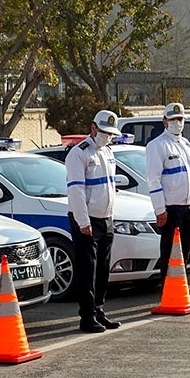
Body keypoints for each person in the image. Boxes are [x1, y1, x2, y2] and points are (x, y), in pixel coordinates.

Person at [67, 109, 124, 332]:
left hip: (105, 218)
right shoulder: (79, 153)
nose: (107, 136)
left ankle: (99, 310)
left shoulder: (109, 153)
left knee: (102, 269)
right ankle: (87, 316)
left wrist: (110, 215)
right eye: (103, 131)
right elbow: (76, 191)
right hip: (86, 220)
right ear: (93, 128)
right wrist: (83, 221)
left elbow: (109, 188)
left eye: (110, 133)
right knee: (87, 270)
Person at [145, 102, 190, 280]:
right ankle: (168, 290)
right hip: (171, 208)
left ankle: (182, 292)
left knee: (185, 250)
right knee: (170, 252)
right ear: (165, 121)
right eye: (173, 119)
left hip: (187, 206)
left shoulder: (187, 145)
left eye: (180, 119)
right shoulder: (157, 145)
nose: (177, 122)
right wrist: (160, 210)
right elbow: (153, 180)